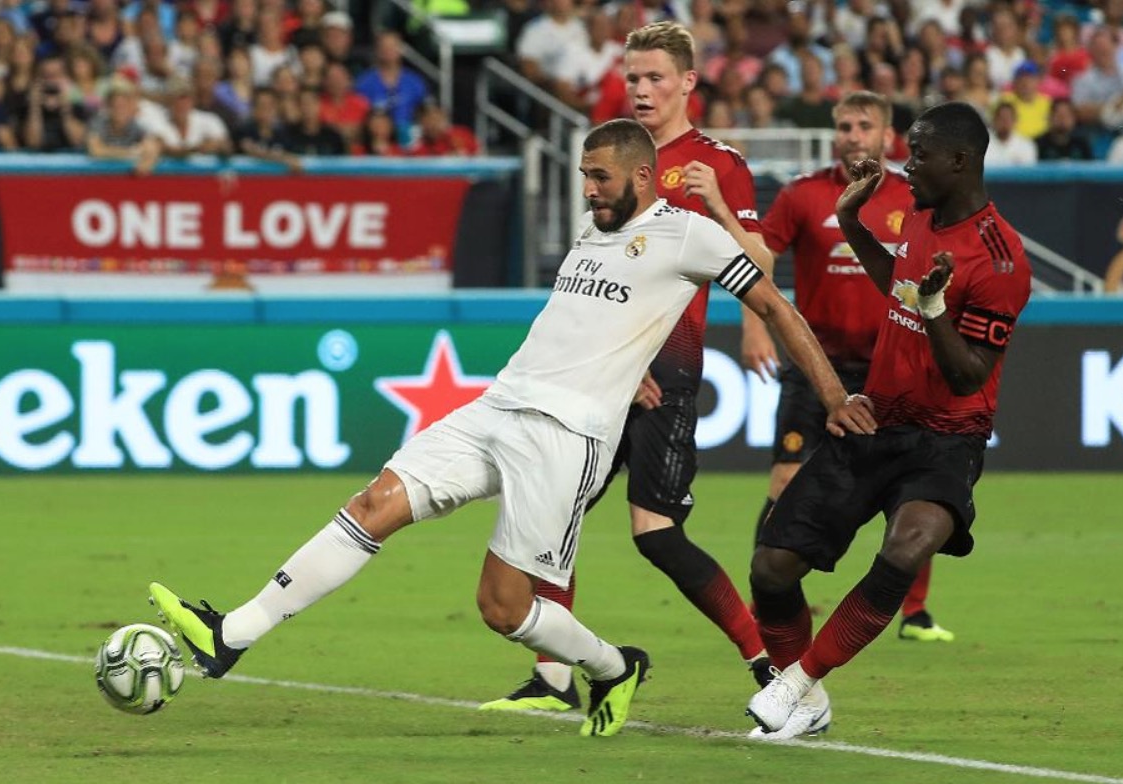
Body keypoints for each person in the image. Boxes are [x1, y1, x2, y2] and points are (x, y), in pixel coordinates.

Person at [149, 117, 877, 740]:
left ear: (644, 177)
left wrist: (835, 395)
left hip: (568, 440)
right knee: (375, 503)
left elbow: (777, 308)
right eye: (583, 176)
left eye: (599, 177)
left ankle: (615, 666)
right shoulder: (599, 229)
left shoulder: (689, 236)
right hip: (499, 406)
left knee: (502, 608)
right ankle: (231, 635)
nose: (587, 189)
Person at [478, 20, 781, 714]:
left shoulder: (717, 163)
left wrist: (718, 213)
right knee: (553, 513)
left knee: (657, 534)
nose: (641, 89)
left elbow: (760, 265)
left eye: (654, 78)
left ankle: (768, 665)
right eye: (633, 77)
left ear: (688, 84)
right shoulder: (613, 153)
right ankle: (554, 682)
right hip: (604, 373)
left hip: (665, 371)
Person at [745, 101, 1031, 741]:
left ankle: (796, 683)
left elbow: (969, 376)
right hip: (877, 418)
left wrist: (933, 309)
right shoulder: (923, 220)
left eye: (921, 153)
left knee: (905, 547)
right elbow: (897, 283)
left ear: (959, 161)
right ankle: (807, 697)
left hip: (947, 438)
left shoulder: (1001, 260)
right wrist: (851, 219)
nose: (909, 163)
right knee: (770, 567)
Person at [753, 90, 957, 647]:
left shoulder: (915, 200)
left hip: (889, 367)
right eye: (843, 125)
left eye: (863, 125)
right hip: (814, 363)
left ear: (886, 135)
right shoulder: (803, 194)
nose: (851, 135)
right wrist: (753, 326)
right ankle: (769, 597)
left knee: (910, 488)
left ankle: (913, 611)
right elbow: (759, 257)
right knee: (786, 478)